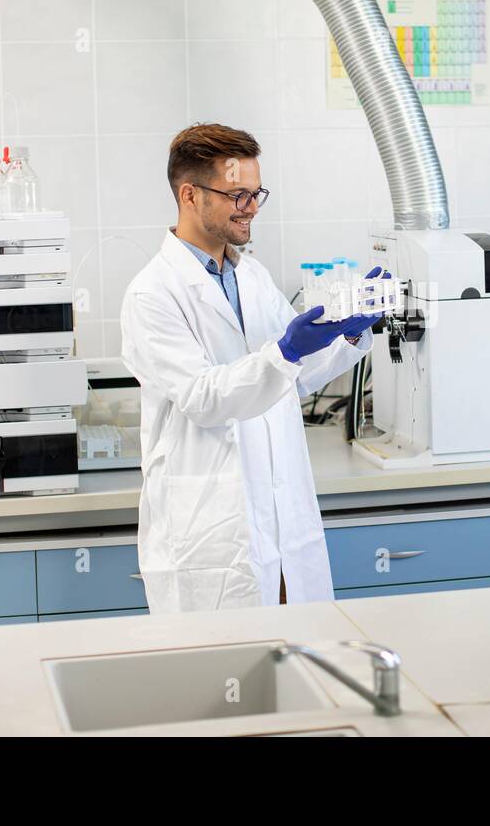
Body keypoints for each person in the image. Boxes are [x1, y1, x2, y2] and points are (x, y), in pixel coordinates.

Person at [121, 123, 380, 614]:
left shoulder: (252, 276)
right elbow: (205, 399)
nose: (252, 207)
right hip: (212, 531)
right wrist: (284, 352)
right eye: (237, 195)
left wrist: (345, 333)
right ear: (190, 194)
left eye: (256, 193)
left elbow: (293, 376)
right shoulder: (152, 294)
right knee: (216, 678)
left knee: (299, 668)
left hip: (282, 520)